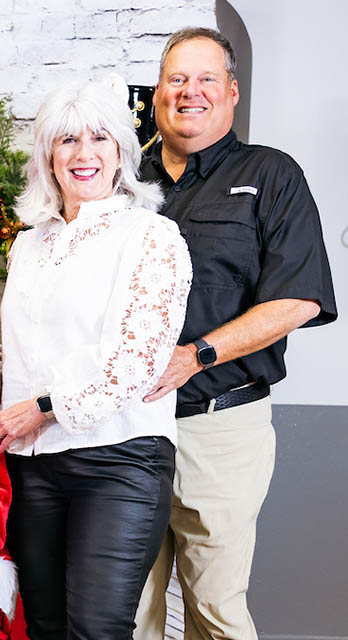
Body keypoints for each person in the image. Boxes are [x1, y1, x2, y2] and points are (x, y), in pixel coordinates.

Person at [133, 28, 337, 640]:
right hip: (127, 428)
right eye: (176, 79)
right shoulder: (124, 181)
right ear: (158, 92)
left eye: (205, 79)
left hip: (219, 428)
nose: (189, 92)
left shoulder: (270, 174)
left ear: (231, 92)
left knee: (215, 609)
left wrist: (196, 356)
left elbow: (300, 298)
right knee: (125, 610)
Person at [0, 77, 192, 638]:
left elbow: (134, 362)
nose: (84, 153)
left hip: (119, 460)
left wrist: (41, 408)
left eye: (99, 138)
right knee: (43, 627)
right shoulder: (28, 244)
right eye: (67, 140)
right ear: (49, 154)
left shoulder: (151, 236)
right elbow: (21, 356)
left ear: (120, 150)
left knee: (96, 628)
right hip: (35, 464)